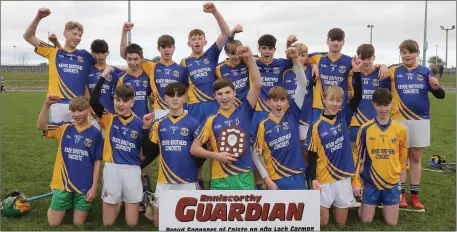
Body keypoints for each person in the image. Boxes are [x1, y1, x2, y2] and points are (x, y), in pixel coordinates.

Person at [89, 65, 155, 226]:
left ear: (132, 102)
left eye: (125, 101)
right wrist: (103, 76)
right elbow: (93, 100)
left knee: (132, 224)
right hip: (112, 169)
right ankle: (117, 202)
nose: (120, 104)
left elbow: (150, 151)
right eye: (117, 100)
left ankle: (123, 202)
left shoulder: (141, 123)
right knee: (108, 224)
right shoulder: (109, 118)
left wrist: (146, 131)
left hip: (132, 171)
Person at [384, 39, 445, 209]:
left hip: (421, 120)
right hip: (399, 120)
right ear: (400, 54)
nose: (407, 55)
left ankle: (415, 196)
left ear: (417, 53)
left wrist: (436, 87)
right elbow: (376, 72)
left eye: (410, 52)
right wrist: (380, 65)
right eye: (404, 52)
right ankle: (401, 195)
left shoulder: (425, 72)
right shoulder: (393, 70)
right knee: (401, 158)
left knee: (416, 157)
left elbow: (440, 95)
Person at [190, 46, 261, 190]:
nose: (224, 97)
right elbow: (194, 149)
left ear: (234, 93)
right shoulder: (211, 120)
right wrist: (216, 155)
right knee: (218, 214)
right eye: (220, 94)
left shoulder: (245, 110)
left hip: (244, 176)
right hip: (219, 179)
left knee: (245, 213)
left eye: (227, 92)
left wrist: (250, 59)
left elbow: (257, 84)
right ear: (215, 96)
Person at [304, 56, 363, 226]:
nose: (334, 104)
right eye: (331, 100)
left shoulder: (344, 116)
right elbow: (312, 153)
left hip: (343, 176)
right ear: (323, 99)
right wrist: (313, 178)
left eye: (338, 100)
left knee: (341, 223)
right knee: (323, 223)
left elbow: (358, 96)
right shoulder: (316, 125)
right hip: (324, 178)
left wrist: (357, 73)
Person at [140, 82, 205, 228]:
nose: (175, 99)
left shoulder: (194, 123)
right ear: (165, 99)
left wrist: (190, 168)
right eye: (171, 95)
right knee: (159, 224)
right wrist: (145, 128)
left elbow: (202, 153)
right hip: (164, 180)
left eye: (179, 95)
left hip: (187, 181)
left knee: (189, 223)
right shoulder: (158, 124)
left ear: (184, 98)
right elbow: (150, 152)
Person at [180, 2, 229, 189]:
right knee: (196, 149)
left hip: (212, 106)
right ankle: (197, 184)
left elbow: (225, 33)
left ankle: (216, 183)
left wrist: (215, 12)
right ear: (189, 43)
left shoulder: (211, 56)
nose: (197, 41)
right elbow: (183, 89)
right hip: (194, 109)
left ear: (205, 41)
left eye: (200, 38)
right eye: (194, 39)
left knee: (214, 146)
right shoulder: (185, 62)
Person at [37, 95, 102, 226]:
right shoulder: (64, 128)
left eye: (80, 110)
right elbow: (41, 125)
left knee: (78, 224)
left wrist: (94, 186)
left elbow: (97, 161)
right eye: (73, 111)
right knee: (53, 224)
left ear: (88, 110)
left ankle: (73, 203)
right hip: (62, 182)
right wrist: (46, 104)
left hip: (84, 184)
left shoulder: (95, 133)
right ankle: (60, 200)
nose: (76, 114)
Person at [23, 8, 95, 123]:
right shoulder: (53, 52)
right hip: (57, 104)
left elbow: (101, 65)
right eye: (74, 34)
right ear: (65, 33)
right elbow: (28, 36)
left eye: (80, 35)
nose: (78, 38)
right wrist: (38, 17)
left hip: (79, 106)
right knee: (61, 139)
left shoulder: (85, 55)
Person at [253, 47, 308, 190]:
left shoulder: (292, 114)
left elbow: (302, 84)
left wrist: (296, 60)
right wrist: (267, 180)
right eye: (275, 100)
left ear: (287, 102)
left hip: (297, 175)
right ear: (267, 102)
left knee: (300, 212)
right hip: (276, 180)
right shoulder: (263, 125)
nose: (279, 104)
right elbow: (256, 154)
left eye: (282, 100)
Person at [352, 88, 408, 226]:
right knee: (366, 221)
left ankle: (385, 206)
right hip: (371, 183)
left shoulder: (400, 130)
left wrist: (400, 182)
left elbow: (402, 158)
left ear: (391, 104)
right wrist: (356, 182)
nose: (383, 109)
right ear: (373, 105)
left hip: (392, 183)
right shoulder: (365, 128)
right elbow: (358, 157)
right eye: (379, 105)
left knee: (392, 223)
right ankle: (366, 206)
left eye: (386, 105)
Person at [307, 28, 388, 122]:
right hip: (319, 106)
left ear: (343, 42)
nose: (336, 43)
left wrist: (383, 65)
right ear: (327, 41)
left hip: (339, 107)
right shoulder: (317, 58)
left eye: (339, 40)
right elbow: (301, 59)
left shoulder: (349, 61)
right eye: (332, 40)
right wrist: (313, 64)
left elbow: (366, 66)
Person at [120, 23, 187, 120]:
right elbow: (125, 55)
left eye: (169, 47)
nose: (166, 50)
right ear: (158, 49)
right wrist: (124, 32)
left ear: (174, 48)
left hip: (179, 110)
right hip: (159, 111)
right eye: (163, 47)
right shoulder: (151, 66)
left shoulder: (181, 69)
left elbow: (186, 92)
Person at [282, 41, 314, 188]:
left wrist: (315, 64)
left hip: (307, 115)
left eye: (304, 55)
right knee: (293, 148)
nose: (300, 58)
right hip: (290, 116)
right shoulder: (286, 72)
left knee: (307, 149)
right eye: (298, 55)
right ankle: (295, 174)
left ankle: (308, 176)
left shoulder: (311, 70)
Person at [216, 24, 250, 105]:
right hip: (231, 106)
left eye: (238, 53)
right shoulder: (219, 68)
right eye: (233, 54)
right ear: (227, 53)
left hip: (249, 104)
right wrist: (232, 33)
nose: (236, 57)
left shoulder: (247, 62)